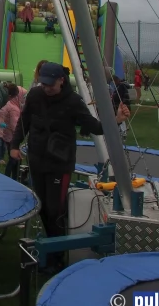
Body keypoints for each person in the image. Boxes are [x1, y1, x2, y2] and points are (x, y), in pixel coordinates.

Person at [10, 62, 130, 272]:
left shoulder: (73, 101)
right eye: (43, 83)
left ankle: (57, 256)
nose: (47, 88)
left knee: (56, 209)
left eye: (50, 84)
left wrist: (117, 119)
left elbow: (94, 126)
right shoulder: (36, 96)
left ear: (61, 80)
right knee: (42, 207)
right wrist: (14, 145)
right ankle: (50, 248)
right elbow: (24, 120)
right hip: (37, 159)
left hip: (60, 162)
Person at [0, 86, 27, 167]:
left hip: (4, 131)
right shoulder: (14, 109)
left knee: (2, 146)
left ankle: (0, 159)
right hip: (10, 135)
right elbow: (15, 125)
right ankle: (0, 161)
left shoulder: (9, 104)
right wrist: (22, 134)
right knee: (10, 155)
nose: (24, 99)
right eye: (23, 96)